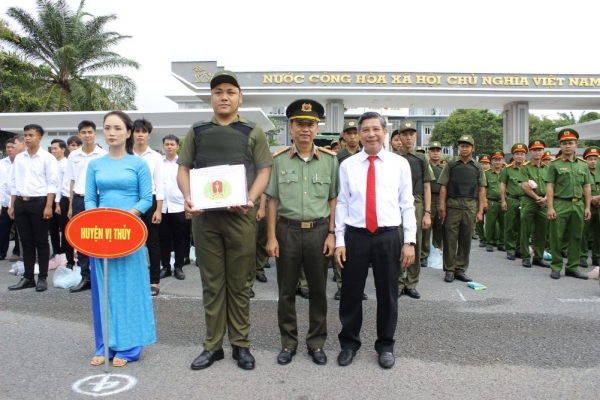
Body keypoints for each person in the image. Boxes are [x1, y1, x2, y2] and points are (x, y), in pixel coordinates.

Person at [177, 70, 272, 371]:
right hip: (205, 220)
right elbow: (183, 168)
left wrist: (251, 199)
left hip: (239, 218)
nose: (224, 96)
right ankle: (213, 346)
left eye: (230, 91)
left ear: (239, 97)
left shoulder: (252, 131)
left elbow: (264, 170)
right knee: (212, 284)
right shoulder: (197, 130)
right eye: (218, 91)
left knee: (240, 284)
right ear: (211, 97)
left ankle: (241, 346)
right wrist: (188, 197)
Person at [335, 111, 416, 369]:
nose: (371, 134)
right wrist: (339, 239)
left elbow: (407, 204)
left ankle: (385, 346)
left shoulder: (399, 164)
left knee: (388, 294)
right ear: (358, 134)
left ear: (384, 132)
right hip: (356, 236)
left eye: (376, 129)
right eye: (365, 130)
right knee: (350, 293)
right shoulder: (348, 165)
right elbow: (343, 203)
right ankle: (349, 344)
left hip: (388, 237)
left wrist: (409, 241)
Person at [265, 99, 338, 366]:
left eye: (310, 124)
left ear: (317, 129)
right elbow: (272, 200)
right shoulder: (279, 160)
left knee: (318, 290)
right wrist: (271, 237)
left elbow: (333, 200)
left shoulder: (330, 161)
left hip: (319, 232)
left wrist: (332, 234)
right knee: (286, 291)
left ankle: (316, 343)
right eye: (299, 124)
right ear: (291, 128)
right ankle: (288, 343)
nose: (305, 129)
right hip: (287, 232)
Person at [86, 110, 156, 367]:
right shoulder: (95, 164)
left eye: (117, 128)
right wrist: (97, 220)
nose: (111, 133)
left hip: (129, 233)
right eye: (107, 128)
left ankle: (128, 348)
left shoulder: (138, 164)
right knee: (104, 289)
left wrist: (125, 219)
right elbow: (90, 198)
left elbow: (146, 198)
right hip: (100, 234)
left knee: (129, 289)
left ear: (128, 132)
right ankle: (104, 345)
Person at [8, 124, 59, 292]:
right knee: (26, 241)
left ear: (40, 138)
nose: (27, 138)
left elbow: (52, 183)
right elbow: (14, 182)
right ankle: (28, 277)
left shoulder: (47, 158)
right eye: (26, 135)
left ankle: (42, 277)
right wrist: (12, 204)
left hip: (39, 203)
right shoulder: (20, 158)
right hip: (21, 202)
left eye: (31, 135)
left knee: (41, 241)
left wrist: (49, 205)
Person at [66, 121, 107, 292]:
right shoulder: (74, 156)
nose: (87, 135)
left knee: (98, 238)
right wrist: (70, 206)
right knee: (82, 239)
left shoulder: (103, 155)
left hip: (97, 199)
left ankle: (100, 278)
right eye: (83, 132)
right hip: (78, 199)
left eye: (90, 132)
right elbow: (72, 181)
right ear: (80, 134)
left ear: (95, 133)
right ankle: (85, 277)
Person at [438, 135, 486, 283]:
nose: (464, 148)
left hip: (470, 206)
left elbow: (482, 189)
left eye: (467, 146)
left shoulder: (477, 167)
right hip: (453, 206)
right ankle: (449, 270)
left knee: (466, 240)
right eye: (462, 146)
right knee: (450, 240)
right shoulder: (451, 165)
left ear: (473, 148)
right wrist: (442, 207)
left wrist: (480, 211)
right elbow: (443, 187)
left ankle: (460, 269)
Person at [546, 129, 592, 280]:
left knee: (576, 237)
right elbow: (550, 186)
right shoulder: (554, 165)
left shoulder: (583, 165)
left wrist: (587, 207)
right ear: (560, 146)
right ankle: (556, 266)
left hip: (578, 204)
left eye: (570, 143)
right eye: (564, 143)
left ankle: (572, 267)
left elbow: (586, 186)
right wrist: (551, 207)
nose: (567, 146)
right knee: (557, 237)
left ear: (576, 145)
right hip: (560, 204)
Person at [396, 120, 433, 299]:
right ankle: (397, 281)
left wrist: (427, 212)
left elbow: (427, 186)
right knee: (396, 242)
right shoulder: (392, 159)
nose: (408, 137)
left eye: (411, 134)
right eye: (405, 134)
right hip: (395, 205)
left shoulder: (421, 159)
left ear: (416, 136)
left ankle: (411, 283)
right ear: (399, 137)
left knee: (414, 243)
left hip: (416, 203)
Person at [133, 118, 164, 296]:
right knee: (132, 243)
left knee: (152, 243)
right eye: (137, 131)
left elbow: (159, 185)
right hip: (130, 201)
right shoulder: (126, 155)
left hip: (150, 201)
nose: (140, 135)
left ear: (149, 135)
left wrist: (158, 209)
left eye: (143, 132)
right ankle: (135, 279)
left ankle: (154, 281)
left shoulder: (155, 157)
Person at [159, 134, 189, 281]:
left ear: (177, 146)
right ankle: (165, 266)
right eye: (167, 144)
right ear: (163, 146)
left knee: (180, 238)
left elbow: (190, 185)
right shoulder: (158, 164)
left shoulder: (183, 164)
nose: (169, 147)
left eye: (172, 144)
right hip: (162, 207)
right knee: (163, 238)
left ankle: (178, 267)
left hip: (179, 206)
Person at [518, 139, 550, 268]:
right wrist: (538, 198)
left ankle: (538, 257)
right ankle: (525, 256)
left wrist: (546, 198)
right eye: (535, 150)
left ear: (543, 151)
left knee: (542, 231)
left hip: (544, 202)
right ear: (530, 152)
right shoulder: (525, 167)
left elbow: (551, 185)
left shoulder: (548, 168)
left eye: (540, 150)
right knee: (525, 230)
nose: (537, 152)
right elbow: (525, 186)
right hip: (529, 201)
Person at [500, 143, 527, 260]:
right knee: (510, 225)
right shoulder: (507, 169)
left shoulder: (528, 168)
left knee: (523, 226)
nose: (519, 156)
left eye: (522, 154)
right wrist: (503, 200)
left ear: (525, 155)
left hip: (525, 200)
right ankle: (510, 249)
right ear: (513, 155)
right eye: (517, 154)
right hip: (511, 199)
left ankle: (520, 249)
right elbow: (503, 185)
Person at [59, 136, 83, 268]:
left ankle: (81, 260)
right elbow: (61, 183)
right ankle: (69, 261)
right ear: (68, 147)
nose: (75, 148)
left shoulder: (82, 160)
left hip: (79, 199)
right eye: (72, 145)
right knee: (67, 232)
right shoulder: (67, 162)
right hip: (66, 199)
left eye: (77, 145)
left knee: (82, 232)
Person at [421, 141, 444, 263]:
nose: (435, 153)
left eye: (438, 151)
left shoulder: (444, 169)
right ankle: (424, 254)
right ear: (429, 152)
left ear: (440, 153)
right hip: (427, 201)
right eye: (433, 150)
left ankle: (437, 250)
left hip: (440, 200)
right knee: (425, 229)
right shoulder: (425, 166)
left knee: (439, 229)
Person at [581, 147, 600, 267]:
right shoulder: (582, 172)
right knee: (583, 232)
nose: (593, 161)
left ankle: (596, 256)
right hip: (585, 206)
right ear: (585, 160)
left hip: (599, 205)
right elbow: (577, 187)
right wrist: (590, 199)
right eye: (590, 159)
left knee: (598, 233)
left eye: (595, 159)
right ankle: (582, 256)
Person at [49, 139, 68, 258]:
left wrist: (58, 203)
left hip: (62, 198)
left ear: (63, 149)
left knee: (64, 226)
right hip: (50, 197)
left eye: (56, 148)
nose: (53, 151)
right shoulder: (50, 163)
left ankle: (65, 251)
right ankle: (56, 251)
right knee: (52, 227)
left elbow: (62, 184)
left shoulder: (66, 164)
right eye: (52, 149)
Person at [484, 151, 505, 252]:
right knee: (490, 223)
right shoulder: (487, 174)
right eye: (495, 160)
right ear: (492, 161)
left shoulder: (506, 172)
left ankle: (501, 243)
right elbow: (484, 188)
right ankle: (489, 243)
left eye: (499, 160)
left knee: (503, 224)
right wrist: (484, 201)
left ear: (502, 161)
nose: (497, 162)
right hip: (491, 201)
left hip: (503, 201)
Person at [475, 154, 491, 247]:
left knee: (490, 221)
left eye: (486, 163)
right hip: (478, 199)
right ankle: (482, 238)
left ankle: (491, 238)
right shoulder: (477, 173)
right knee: (479, 220)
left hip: (490, 200)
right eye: (482, 163)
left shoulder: (492, 174)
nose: (484, 165)